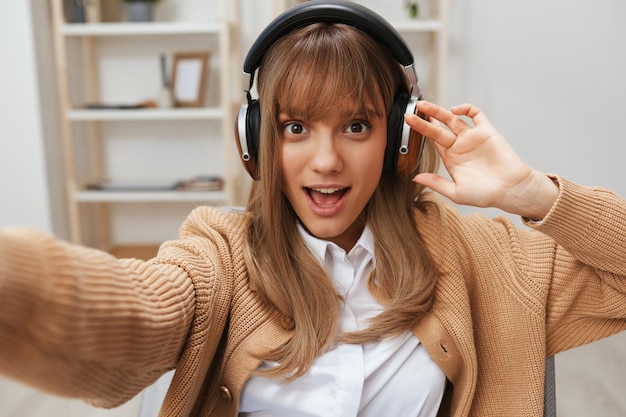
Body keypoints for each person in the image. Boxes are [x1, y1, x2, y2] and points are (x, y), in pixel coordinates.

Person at [1, 1, 625, 416]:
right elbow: (131, 315)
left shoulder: (480, 258)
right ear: (257, 140)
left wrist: (533, 194)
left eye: (355, 125)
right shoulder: (220, 255)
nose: (325, 161)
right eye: (295, 127)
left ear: (399, 140)